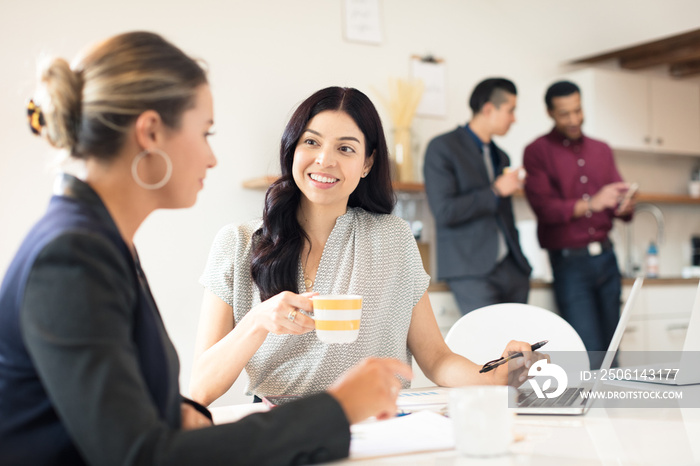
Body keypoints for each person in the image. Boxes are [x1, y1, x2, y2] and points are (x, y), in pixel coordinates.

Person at [0, 31, 414, 466]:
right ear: (151, 133)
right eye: (205, 132)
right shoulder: (73, 258)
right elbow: (143, 456)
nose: (212, 158)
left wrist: (175, 414)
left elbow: (119, 421)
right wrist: (338, 408)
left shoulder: (95, 242)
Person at [191, 86, 536, 407]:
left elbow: (437, 360)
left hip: (378, 423)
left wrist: (496, 376)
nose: (325, 160)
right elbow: (201, 388)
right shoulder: (238, 242)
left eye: (345, 148)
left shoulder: (393, 239)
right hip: (280, 430)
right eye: (311, 142)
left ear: (367, 163)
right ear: (292, 148)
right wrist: (258, 320)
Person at [523, 80, 635, 369]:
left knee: (612, 352)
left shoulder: (601, 149)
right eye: (565, 114)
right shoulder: (537, 151)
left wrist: (624, 205)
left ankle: (617, 414)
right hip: (570, 265)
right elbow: (544, 208)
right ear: (550, 112)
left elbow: (617, 206)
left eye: (577, 110)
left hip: (607, 260)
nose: (574, 119)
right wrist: (591, 203)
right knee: (588, 353)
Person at [423, 78, 532, 315]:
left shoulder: (501, 156)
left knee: (520, 349)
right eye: (511, 110)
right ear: (488, 109)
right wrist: (495, 191)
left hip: (513, 269)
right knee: (491, 348)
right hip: (470, 271)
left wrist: (522, 265)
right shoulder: (442, 148)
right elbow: (444, 212)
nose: (514, 118)